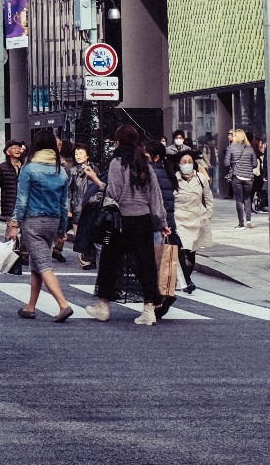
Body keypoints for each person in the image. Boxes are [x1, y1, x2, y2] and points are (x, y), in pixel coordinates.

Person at [87, 125, 168, 325]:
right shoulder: (145, 164)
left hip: (119, 221)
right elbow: (155, 197)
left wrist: (100, 187)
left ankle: (103, 306)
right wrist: (162, 222)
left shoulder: (117, 163)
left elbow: (114, 193)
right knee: (145, 264)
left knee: (110, 262)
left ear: (118, 142)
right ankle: (149, 309)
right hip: (142, 220)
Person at [6, 128, 74, 320]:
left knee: (43, 264)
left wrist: (14, 224)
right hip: (53, 222)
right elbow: (64, 204)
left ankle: (63, 304)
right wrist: (62, 229)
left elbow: (22, 201)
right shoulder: (60, 171)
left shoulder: (29, 169)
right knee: (37, 264)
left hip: (33, 222)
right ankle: (30, 306)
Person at [167, 148, 213, 293]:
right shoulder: (173, 178)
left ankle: (186, 277)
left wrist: (208, 214)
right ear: (179, 164)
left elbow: (208, 197)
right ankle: (187, 281)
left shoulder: (201, 178)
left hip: (196, 218)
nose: (187, 164)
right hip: (179, 218)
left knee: (191, 252)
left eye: (189, 162)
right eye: (184, 162)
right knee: (182, 249)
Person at [69, 142, 105, 268]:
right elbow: (69, 190)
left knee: (91, 233)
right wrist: (69, 208)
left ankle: (91, 258)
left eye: (81, 153)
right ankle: (85, 262)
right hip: (78, 206)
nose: (78, 156)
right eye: (76, 153)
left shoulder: (95, 169)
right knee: (80, 234)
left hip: (93, 206)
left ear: (88, 155)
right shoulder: (73, 170)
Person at [221, 128, 259, 228]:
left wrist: (234, 164)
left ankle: (241, 223)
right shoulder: (250, 148)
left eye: (233, 136)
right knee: (247, 198)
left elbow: (226, 163)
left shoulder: (231, 148)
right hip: (248, 177)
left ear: (236, 137)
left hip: (237, 176)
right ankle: (248, 220)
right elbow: (255, 164)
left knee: (239, 200)